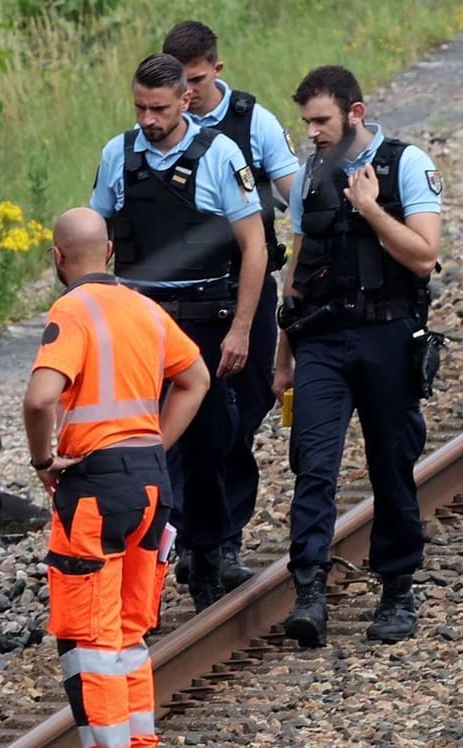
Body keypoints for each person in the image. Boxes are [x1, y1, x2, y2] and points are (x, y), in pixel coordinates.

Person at [24, 208, 212, 748]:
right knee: (130, 638)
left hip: (95, 490)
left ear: (58, 259)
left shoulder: (71, 311)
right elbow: (196, 378)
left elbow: (40, 397)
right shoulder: (146, 309)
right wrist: (155, 443)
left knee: (90, 642)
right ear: (108, 252)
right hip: (151, 486)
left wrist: (43, 459)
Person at [273, 65, 442, 647]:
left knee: (391, 463)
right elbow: (295, 272)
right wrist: (282, 356)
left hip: (388, 336)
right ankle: (310, 591)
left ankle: (396, 588)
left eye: (321, 120)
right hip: (321, 339)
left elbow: (423, 257)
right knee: (312, 463)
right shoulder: (310, 173)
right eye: (307, 122)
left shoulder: (406, 164)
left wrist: (371, 209)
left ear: (355, 112)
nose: (313, 132)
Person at [89, 53, 264, 611]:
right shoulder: (118, 155)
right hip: (140, 320)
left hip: (204, 321)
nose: (147, 118)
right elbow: (95, 234)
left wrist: (241, 329)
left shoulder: (221, 155)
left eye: (158, 109)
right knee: (142, 447)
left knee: (208, 442)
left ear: (185, 100)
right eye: (139, 106)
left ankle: (208, 551)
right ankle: (154, 556)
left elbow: (254, 248)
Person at [163, 21, 304, 587]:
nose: (188, 95)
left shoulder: (254, 122)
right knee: (180, 419)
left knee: (239, 415)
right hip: (183, 300)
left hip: (243, 289)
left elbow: (300, 197)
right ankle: (194, 539)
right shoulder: (157, 130)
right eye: (180, 84)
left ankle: (221, 536)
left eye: (196, 81)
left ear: (215, 70)